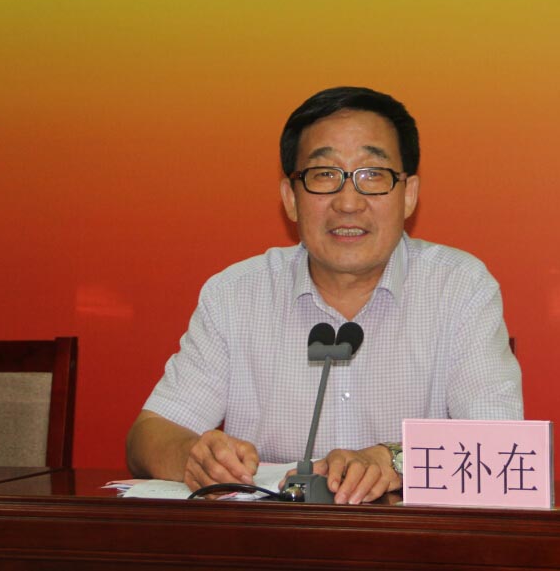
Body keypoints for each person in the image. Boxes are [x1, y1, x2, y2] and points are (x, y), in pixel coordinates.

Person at [126, 86, 522, 504]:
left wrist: (394, 460)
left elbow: (504, 448)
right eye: (324, 175)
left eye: (373, 175)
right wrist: (192, 456)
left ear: (408, 195)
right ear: (290, 198)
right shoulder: (235, 295)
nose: (348, 203)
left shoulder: (459, 288)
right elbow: (148, 435)